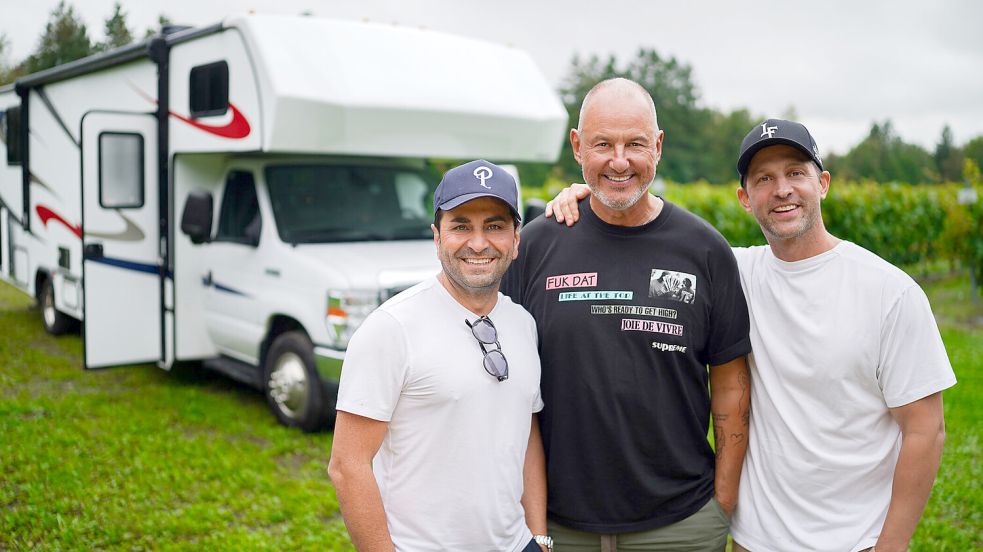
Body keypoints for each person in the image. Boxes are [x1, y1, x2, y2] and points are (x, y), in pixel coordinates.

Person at [546, 118, 956, 551]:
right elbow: (658, 239)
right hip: (754, 539)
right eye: (764, 179)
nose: (781, 190)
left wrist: (891, 546)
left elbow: (926, 430)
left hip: (854, 539)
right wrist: (590, 198)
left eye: (796, 173)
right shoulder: (734, 272)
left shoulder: (889, 292)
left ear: (824, 183)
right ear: (744, 198)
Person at [501, 78, 752, 551]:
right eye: (603, 144)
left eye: (635, 143)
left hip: (679, 524)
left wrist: (724, 498)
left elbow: (732, 383)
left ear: (657, 146)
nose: (619, 161)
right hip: (559, 524)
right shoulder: (536, 246)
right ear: (578, 147)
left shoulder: (704, 251)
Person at [328, 160, 551, 552]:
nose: (478, 243)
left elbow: (526, 432)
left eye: (495, 226)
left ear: (517, 240)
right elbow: (347, 466)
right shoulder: (391, 328)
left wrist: (538, 536)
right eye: (461, 225)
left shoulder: (523, 323)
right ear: (437, 236)